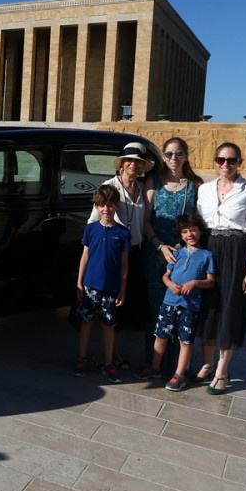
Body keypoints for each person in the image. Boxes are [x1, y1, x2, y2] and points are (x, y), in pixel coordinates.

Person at [194, 141, 246, 395]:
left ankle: (222, 370)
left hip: (237, 250)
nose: (226, 165)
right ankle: (208, 362)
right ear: (215, 161)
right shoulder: (205, 190)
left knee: (230, 307)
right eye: (221, 160)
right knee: (209, 306)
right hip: (210, 247)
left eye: (231, 160)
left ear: (239, 163)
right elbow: (198, 224)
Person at [88, 142, 153, 367]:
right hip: (112, 254)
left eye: (138, 161)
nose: (133, 164)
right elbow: (93, 223)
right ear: (122, 164)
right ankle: (106, 354)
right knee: (108, 307)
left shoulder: (143, 188)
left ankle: (114, 352)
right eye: (129, 160)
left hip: (134, 251)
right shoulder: (109, 186)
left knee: (123, 305)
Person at [142, 137, 203, 375]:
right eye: (168, 154)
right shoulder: (153, 182)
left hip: (183, 257)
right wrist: (160, 246)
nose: (173, 159)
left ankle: (178, 367)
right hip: (155, 253)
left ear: (186, 156)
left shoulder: (195, 185)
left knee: (181, 308)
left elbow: (200, 224)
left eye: (178, 154)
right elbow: (146, 221)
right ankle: (154, 363)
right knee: (157, 308)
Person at [134, 211, 215, 391]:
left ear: (200, 231)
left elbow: (211, 281)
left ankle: (179, 375)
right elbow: (166, 275)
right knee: (161, 336)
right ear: (180, 234)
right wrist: (169, 283)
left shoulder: (206, 256)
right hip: (169, 302)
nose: (190, 235)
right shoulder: (176, 253)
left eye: (193, 230)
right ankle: (155, 368)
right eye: (185, 231)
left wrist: (195, 283)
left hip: (190, 306)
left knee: (185, 341)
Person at [74, 184, 130, 383]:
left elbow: (124, 264)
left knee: (108, 325)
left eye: (110, 205)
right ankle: (81, 358)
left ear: (116, 206)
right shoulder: (90, 229)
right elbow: (85, 256)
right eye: (102, 205)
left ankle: (108, 362)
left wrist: (122, 290)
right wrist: (79, 282)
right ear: (97, 207)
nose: (106, 209)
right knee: (87, 322)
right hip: (90, 285)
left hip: (111, 288)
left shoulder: (123, 233)